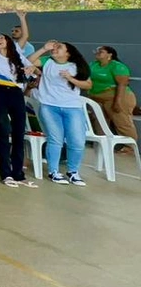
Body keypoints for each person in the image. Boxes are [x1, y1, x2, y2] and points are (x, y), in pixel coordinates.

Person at [0, 8, 37, 187]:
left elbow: (25, 37)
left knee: (19, 132)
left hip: (16, 93)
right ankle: (5, 172)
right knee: (2, 130)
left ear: (8, 42)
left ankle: (18, 173)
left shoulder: (17, 56)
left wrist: (22, 19)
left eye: (2, 38)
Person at [28, 41, 94, 185]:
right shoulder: (47, 61)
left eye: (59, 48)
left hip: (72, 107)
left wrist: (71, 79)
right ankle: (53, 171)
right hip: (49, 106)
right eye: (54, 47)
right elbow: (28, 61)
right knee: (55, 139)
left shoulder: (76, 66)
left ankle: (73, 171)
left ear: (68, 53)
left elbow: (88, 84)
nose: (55, 49)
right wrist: (43, 49)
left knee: (77, 140)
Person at [89, 46, 137, 143]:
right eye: (96, 51)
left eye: (101, 51)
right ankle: (102, 145)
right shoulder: (93, 64)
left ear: (109, 55)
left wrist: (118, 102)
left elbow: (122, 85)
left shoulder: (118, 67)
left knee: (122, 123)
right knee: (99, 122)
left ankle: (129, 147)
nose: (97, 53)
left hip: (116, 97)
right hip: (97, 98)